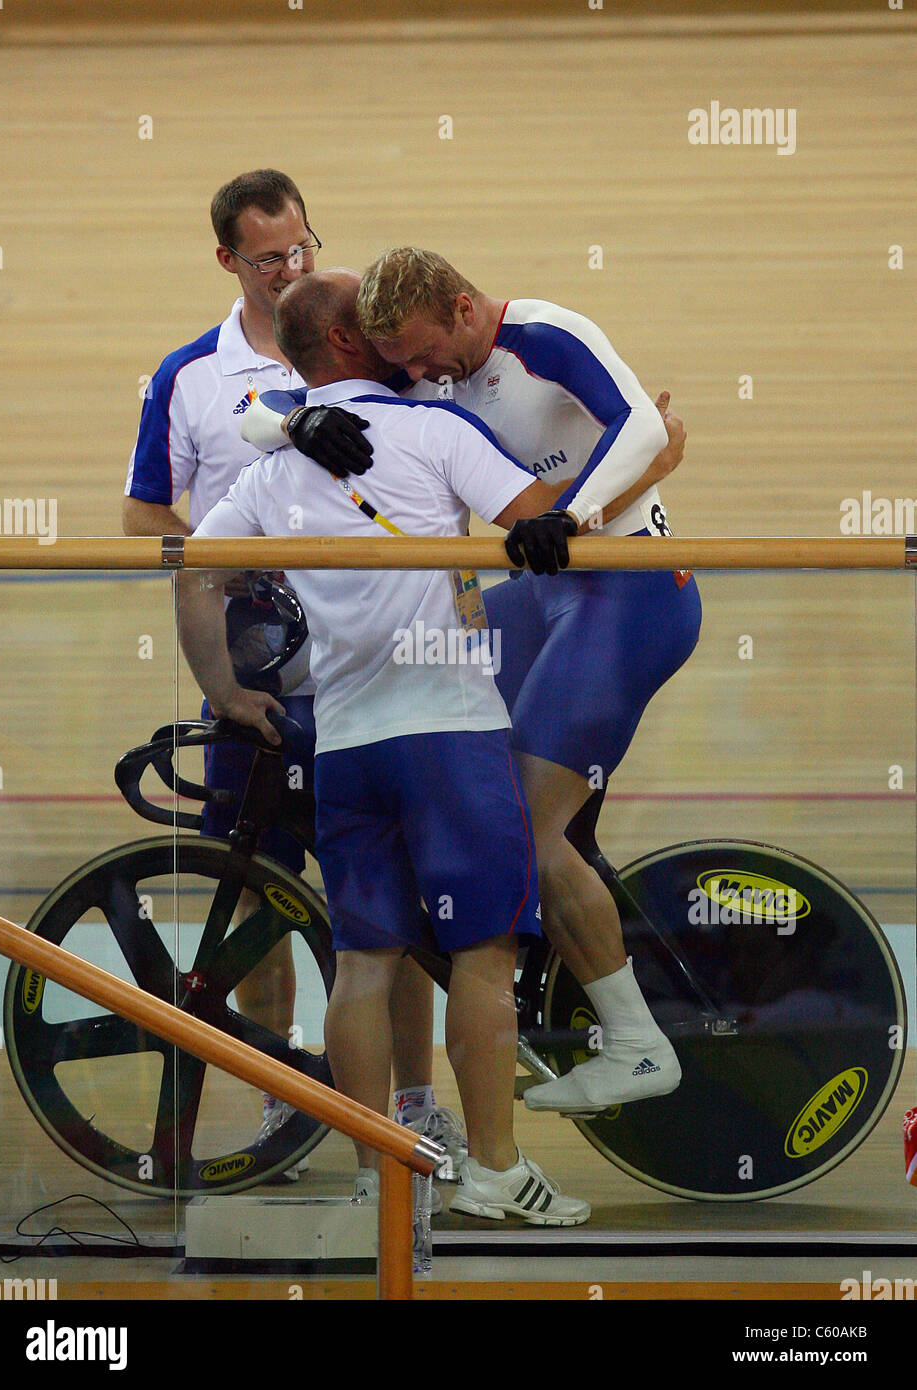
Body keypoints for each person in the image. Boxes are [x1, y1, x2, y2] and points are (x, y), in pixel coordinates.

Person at [245, 248, 700, 1115]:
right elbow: (271, 408)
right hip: (549, 593)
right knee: (431, 665)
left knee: (526, 828)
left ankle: (637, 1044)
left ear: (461, 306)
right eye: (402, 365)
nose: (417, 376)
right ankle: (520, 878)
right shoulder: (431, 373)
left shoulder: (544, 333)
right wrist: (294, 426)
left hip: (625, 595)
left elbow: (642, 426)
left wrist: (576, 512)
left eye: (422, 355)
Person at [177, 268, 590, 1224]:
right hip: (448, 727)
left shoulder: (271, 472)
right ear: (357, 343)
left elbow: (193, 564)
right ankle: (492, 1171)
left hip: (347, 741)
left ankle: (380, 1183)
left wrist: (223, 690)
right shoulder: (435, 430)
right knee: (483, 956)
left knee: (366, 963)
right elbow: (541, 514)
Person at [121, 173, 454, 1164]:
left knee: (386, 905)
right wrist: (235, 613)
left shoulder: (376, 354)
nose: (292, 268)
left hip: (375, 675)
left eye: (303, 245)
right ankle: (278, 1092)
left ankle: (411, 1105)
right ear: (227, 259)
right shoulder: (189, 375)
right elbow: (145, 520)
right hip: (258, 680)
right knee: (262, 896)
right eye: (269, 256)